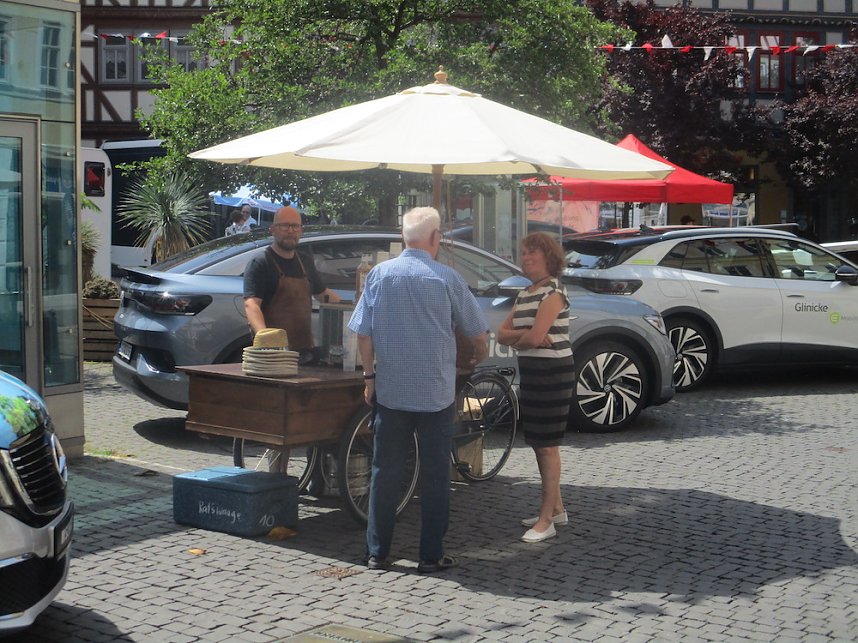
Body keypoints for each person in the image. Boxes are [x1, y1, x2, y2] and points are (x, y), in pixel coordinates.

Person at [348, 206, 489, 573]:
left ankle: (377, 552)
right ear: (434, 238)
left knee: (385, 472)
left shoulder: (379, 275)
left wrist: (369, 378)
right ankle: (430, 554)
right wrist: (477, 356)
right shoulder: (446, 278)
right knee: (435, 475)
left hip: (391, 393)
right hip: (436, 394)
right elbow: (477, 332)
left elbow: (362, 332)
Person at [497, 232, 574, 544]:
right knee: (539, 442)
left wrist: (524, 335)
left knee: (547, 444)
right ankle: (556, 508)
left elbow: (524, 338)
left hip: (553, 372)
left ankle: (547, 519)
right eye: (523, 253)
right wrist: (527, 333)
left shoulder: (553, 292)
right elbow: (502, 334)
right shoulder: (527, 293)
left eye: (532, 253)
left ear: (548, 256)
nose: (526, 258)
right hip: (533, 370)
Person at [243, 206, 340, 358]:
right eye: (284, 225)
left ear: (301, 230)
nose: (290, 231)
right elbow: (251, 305)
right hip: (273, 357)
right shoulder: (261, 263)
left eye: (295, 226)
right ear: (272, 229)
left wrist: (353, 309)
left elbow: (324, 295)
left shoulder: (306, 262)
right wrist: (266, 339)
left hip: (305, 353)